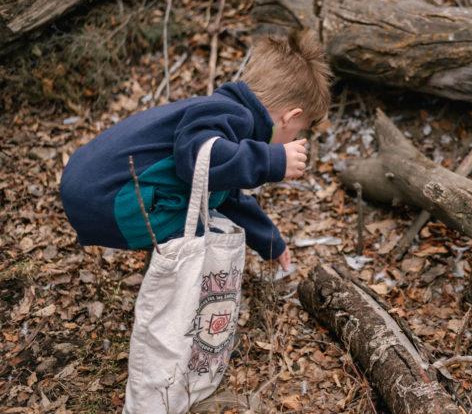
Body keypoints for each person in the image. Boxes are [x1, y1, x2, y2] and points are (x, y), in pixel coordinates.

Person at [60, 29, 331, 270]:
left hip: (90, 189)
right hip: (106, 200)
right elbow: (198, 160)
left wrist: (269, 240)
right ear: (290, 117)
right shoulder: (231, 114)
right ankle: (181, 299)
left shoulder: (223, 112)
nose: (293, 139)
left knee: (211, 197)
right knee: (212, 232)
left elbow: (226, 194)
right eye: (298, 132)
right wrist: (272, 159)